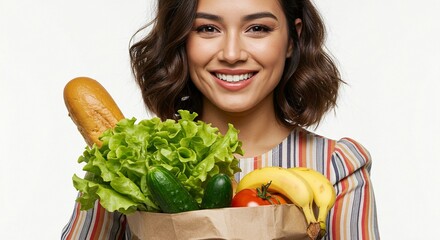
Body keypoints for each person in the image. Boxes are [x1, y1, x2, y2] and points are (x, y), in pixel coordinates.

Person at [62, 0, 380, 239]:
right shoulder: (127, 166)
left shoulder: (336, 166)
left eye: (257, 28)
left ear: (292, 40)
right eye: (207, 28)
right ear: (182, 39)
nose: (231, 53)